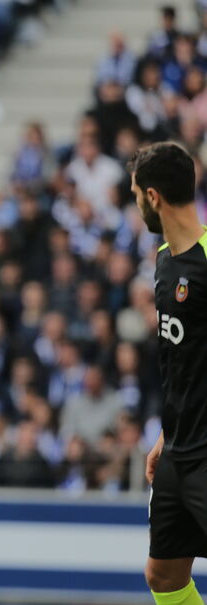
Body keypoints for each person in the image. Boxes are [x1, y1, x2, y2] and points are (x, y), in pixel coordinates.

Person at [130, 143, 207, 605]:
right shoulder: (164, 261)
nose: (135, 203)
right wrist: (165, 433)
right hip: (179, 447)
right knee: (164, 575)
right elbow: (183, 362)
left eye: (136, 193)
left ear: (153, 197)